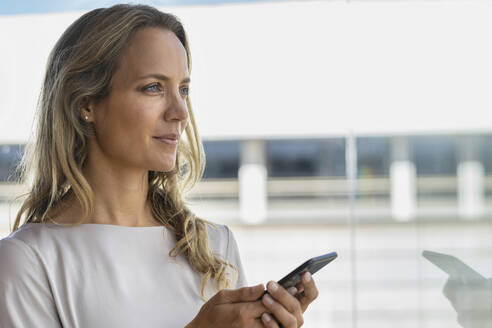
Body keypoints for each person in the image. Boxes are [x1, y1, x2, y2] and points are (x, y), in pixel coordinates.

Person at [0, 4, 319, 328]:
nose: (180, 112)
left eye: (183, 89)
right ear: (86, 104)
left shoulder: (214, 246)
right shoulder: (28, 261)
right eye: (153, 87)